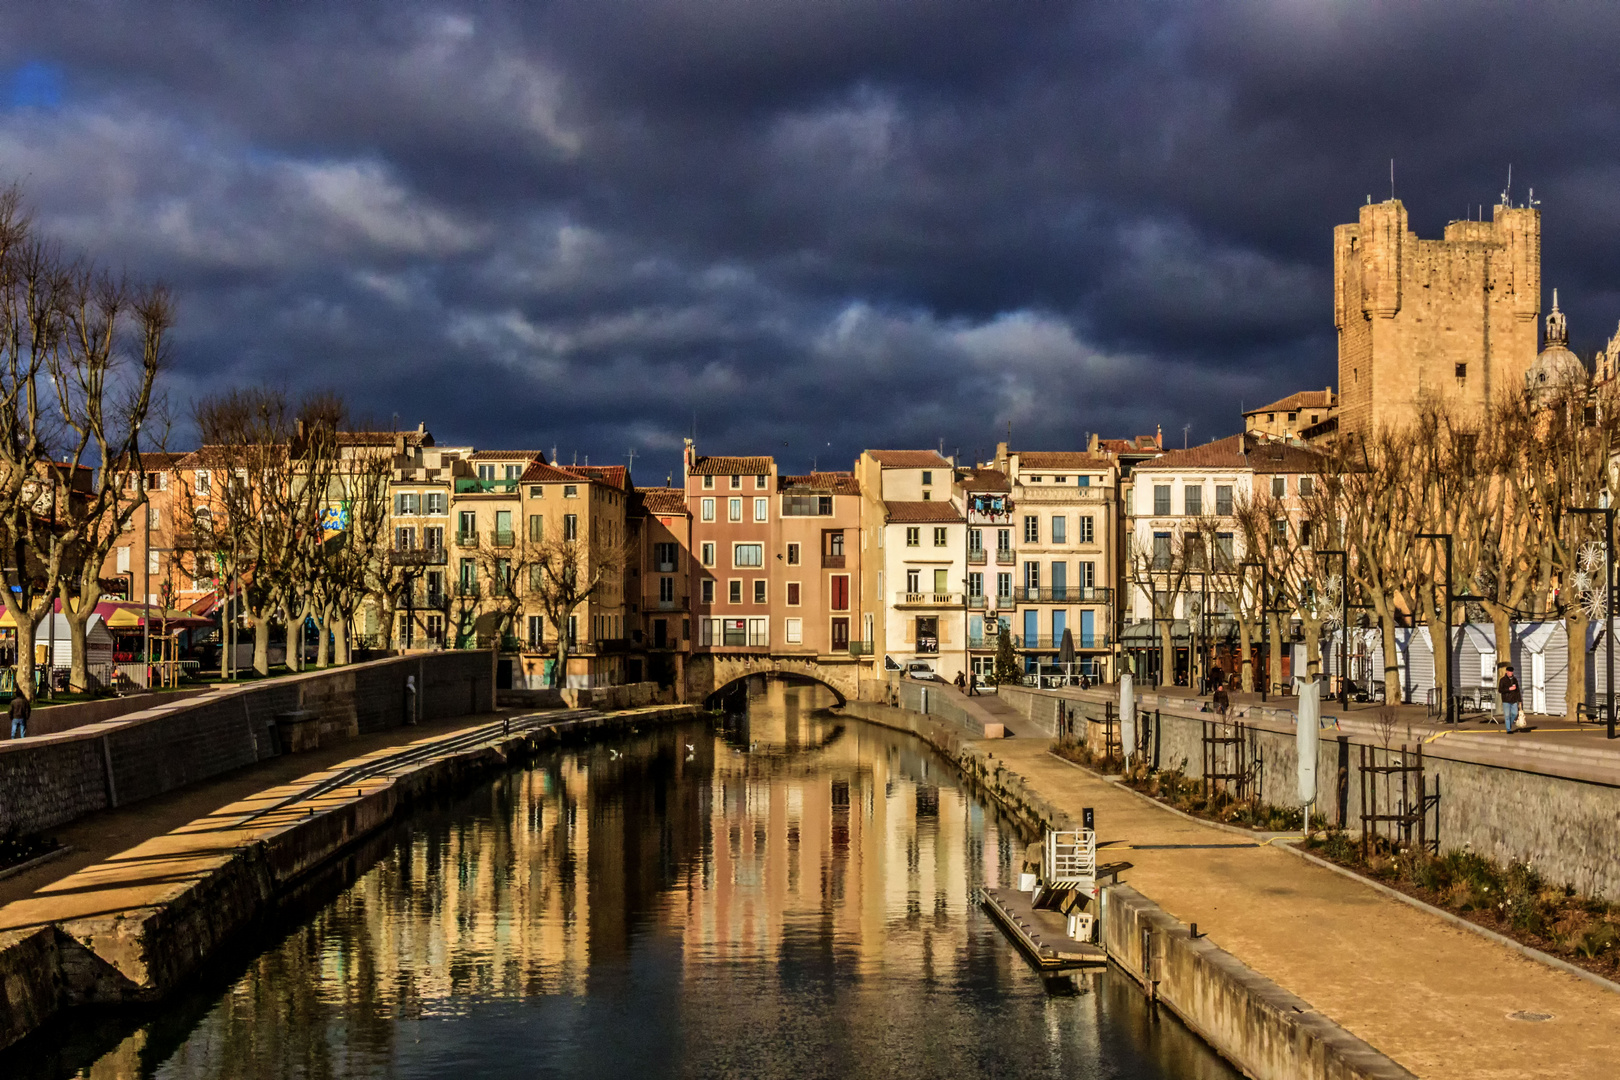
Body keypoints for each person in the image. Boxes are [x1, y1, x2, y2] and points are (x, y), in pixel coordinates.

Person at [1498, 664, 1522, 733]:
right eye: (1509, 672)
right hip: (1506, 700)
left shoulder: (1515, 680)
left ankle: (1509, 724)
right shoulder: (1502, 680)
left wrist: (1519, 700)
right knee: (1507, 715)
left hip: (1514, 700)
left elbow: (1518, 690)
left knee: (1515, 713)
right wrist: (1509, 689)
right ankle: (1508, 729)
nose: (1510, 673)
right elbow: (1500, 690)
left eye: (1511, 672)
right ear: (1506, 672)